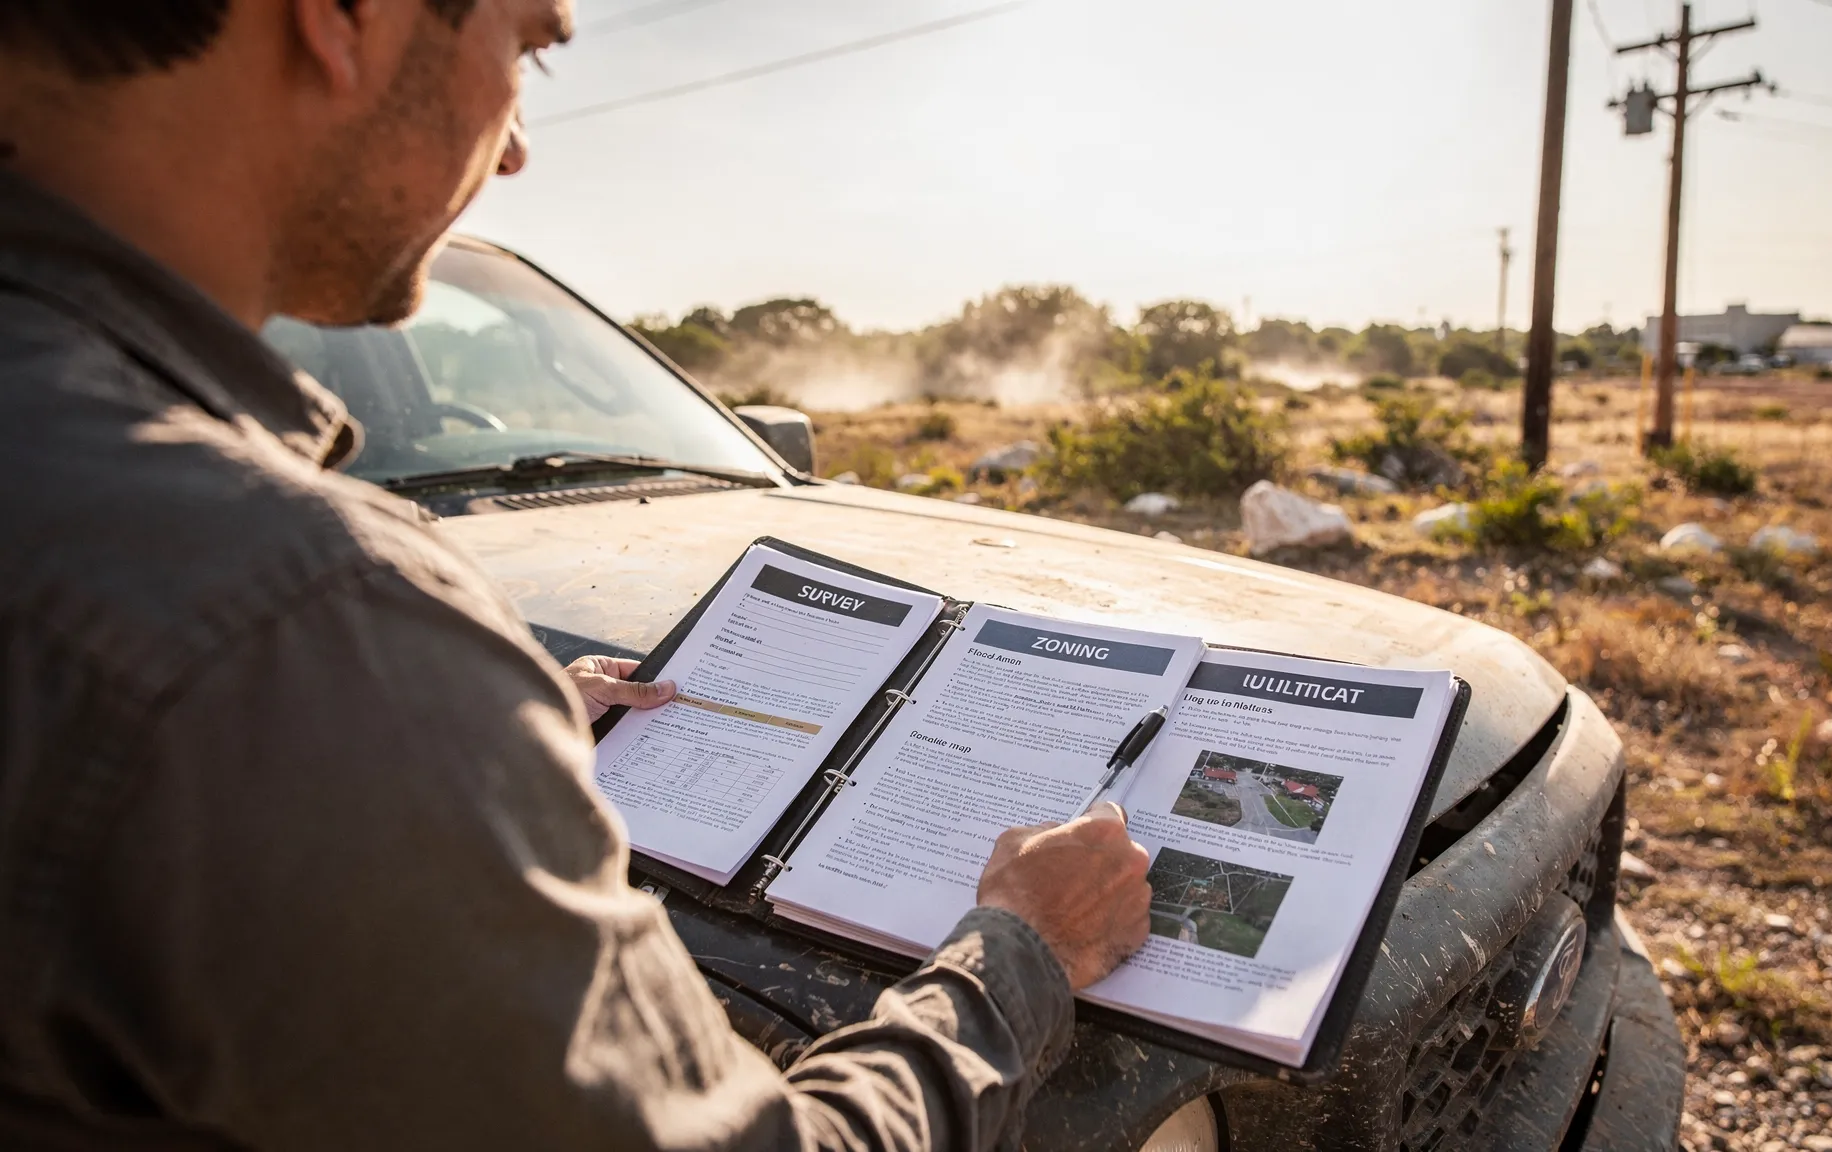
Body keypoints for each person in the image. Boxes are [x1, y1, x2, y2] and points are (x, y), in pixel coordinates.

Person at [0, 1, 1154, 1148]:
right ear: (344, 20)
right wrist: (1021, 951)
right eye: (529, 46)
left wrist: (449, 742)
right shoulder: (296, 622)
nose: (512, 148)